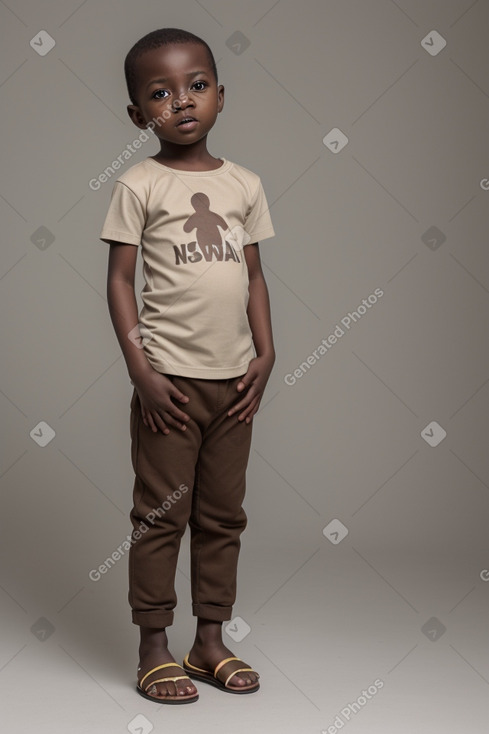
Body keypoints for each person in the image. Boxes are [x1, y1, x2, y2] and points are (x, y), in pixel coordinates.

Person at [99, 28, 276, 704]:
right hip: (168, 385)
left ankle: (208, 641)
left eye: (196, 86)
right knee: (160, 516)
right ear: (137, 114)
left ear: (220, 97)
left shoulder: (243, 185)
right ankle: (152, 646)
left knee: (223, 515)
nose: (181, 102)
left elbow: (254, 277)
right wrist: (140, 371)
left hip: (234, 385)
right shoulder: (138, 183)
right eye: (159, 93)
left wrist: (266, 353)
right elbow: (119, 281)